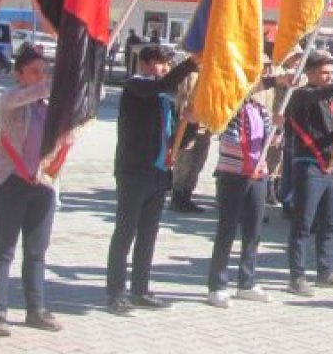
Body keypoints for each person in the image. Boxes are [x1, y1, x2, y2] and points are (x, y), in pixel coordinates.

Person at [105, 45, 199, 315]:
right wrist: (191, 64)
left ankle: (140, 290)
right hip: (134, 172)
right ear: (144, 63)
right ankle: (115, 293)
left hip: (158, 173)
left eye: (168, 64)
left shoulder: (164, 98)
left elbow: (178, 139)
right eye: (160, 63)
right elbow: (160, 85)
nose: (165, 68)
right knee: (125, 233)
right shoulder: (135, 86)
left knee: (148, 235)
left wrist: (191, 123)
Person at [0, 46, 63, 337]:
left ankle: (35, 309)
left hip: (42, 184)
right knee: (3, 249)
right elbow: (31, 93)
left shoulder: (50, 107)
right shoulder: (10, 99)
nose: (41, 77)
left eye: (44, 71)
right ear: (19, 74)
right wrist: (57, 83)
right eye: (34, 72)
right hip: (10, 182)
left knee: (36, 252)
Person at [283, 51, 333, 297]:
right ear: (311, 73)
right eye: (325, 73)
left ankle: (325, 272)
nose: (329, 77)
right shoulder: (301, 95)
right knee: (303, 223)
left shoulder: (331, 102)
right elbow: (321, 93)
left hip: (330, 167)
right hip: (309, 166)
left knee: (330, 221)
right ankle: (297, 276)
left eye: (331, 73)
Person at [205, 92, 275, 308]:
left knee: (253, 231)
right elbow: (226, 136)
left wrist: (278, 127)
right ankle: (217, 286)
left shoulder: (260, 109)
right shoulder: (228, 106)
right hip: (233, 174)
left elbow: (272, 140)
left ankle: (247, 281)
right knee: (226, 231)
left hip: (258, 175)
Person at [170, 71, 211, 213]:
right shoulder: (192, 73)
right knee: (184, 163)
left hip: (205, 127)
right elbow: (184, 98)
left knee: (198, 163)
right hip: (188, 126)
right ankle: (177, 197)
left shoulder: (214, 72)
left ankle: (187, 196)